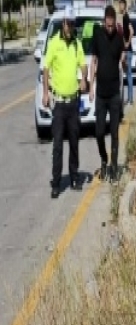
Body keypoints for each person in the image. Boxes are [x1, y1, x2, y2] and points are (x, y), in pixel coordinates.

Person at [42, 16, 86, 198]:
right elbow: (46, 68)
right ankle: (57, 182)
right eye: (68, 24)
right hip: (59, 104)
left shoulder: (77, 43)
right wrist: (46, 92)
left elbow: (83, 63)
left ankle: (75, 177)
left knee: (74, 142)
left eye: (73, 24)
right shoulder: (54, 43)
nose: (70, 27)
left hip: (73, 101)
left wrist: (84, 78)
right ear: (63, 24)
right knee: (58, 145)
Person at [88, 5, 127, 182]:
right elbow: (93, 61)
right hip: (101, 94)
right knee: (99, 132)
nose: (110, 28)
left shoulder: (119, 39)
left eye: (112, 25)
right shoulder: (97, 36)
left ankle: (113, 167)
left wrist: (124, 62)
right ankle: (104, 159)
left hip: (114, 94)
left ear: (114, 22)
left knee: (115, 133)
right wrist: (90, 87)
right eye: (108, 25)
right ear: (104, 21)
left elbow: (122, 61)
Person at [118, 0, 134, 105]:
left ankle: (130, 99)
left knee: (127, 74)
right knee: (126, 74)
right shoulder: (124, 17)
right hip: (126, 50)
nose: (119, 7)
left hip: (127, 51)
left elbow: (131, 31)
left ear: (124, 6)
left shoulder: (126, 17)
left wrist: (127, 43)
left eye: (121, 5)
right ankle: (128, 99)